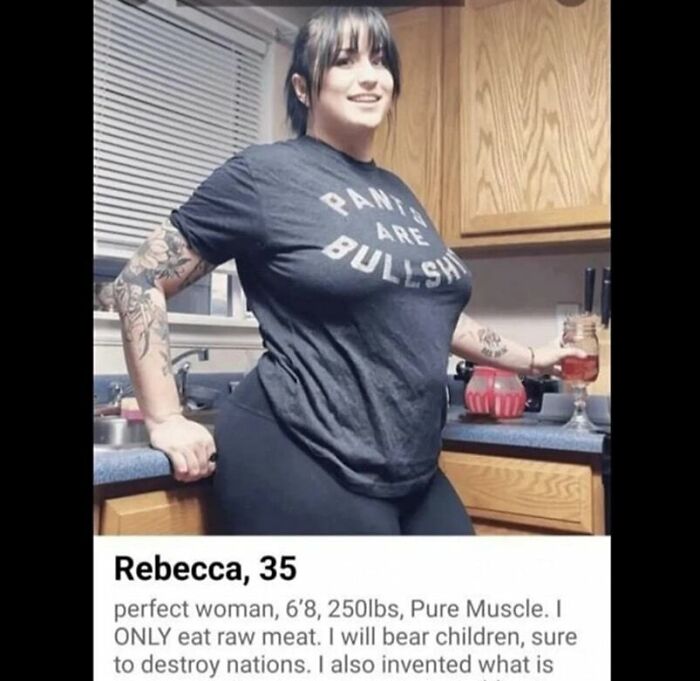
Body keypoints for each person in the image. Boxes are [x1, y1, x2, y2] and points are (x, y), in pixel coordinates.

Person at [112, 6, 582, 536]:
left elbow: (432, 315)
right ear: (304, 89)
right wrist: (166, 416)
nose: (370, 76)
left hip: (411, 468)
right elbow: (139, 279)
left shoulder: (398, 193)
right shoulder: (264, 175)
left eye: (379, 61)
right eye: (344, 61)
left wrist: (535, 359)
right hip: (299, 449)